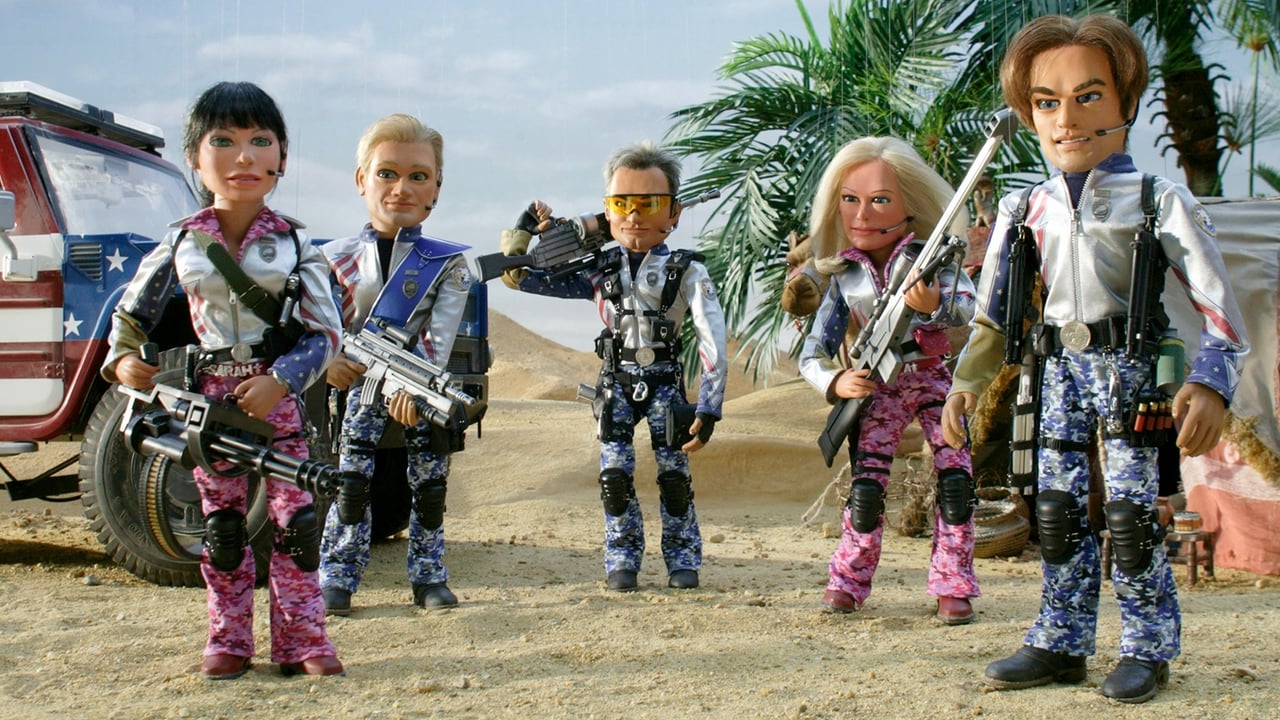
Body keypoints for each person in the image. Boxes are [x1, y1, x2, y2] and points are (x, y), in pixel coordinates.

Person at [939, 14, 1248, 704]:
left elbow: (1220, 310)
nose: (1067, 119)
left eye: (1088, 96)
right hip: (1056, 375)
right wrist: (968, 382)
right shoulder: (1025, 208)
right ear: (1029, 115)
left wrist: (1210, 382)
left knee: (1133, 518)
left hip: (1131, 373)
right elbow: (993, 313)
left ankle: (1147, 645)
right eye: (1047, 102)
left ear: (1126, 102)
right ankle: (1061, 638)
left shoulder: (1158, 201)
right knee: (1054, 511)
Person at [102, 81, 344, 679]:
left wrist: (281, 380)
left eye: (261, 141)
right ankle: (228, 638)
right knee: (223, 528)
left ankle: (302, 640)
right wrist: (125, 362)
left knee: (297, 524)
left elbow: (326, 333)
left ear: (281, 155)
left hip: (276, 403)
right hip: (210, 404)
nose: (244, 157)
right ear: (194, 156)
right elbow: (130, 315)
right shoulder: (183, 241)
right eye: (223, 141)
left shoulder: (295, 244)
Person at [499, 141, 727, 592]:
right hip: (616, 381)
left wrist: (710, 405)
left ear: (673, 213)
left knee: (674, 477)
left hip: (665, 382)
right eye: (622, 204)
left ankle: (682, 558)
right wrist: (523, 232)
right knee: (614, 478)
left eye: (649, 204)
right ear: (606, 211)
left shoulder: (687, 271)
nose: (634, 215)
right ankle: (622, 557)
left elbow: (711, 338)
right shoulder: (597, 269)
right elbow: (520, 278)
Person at [798, 136, 980, 624]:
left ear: (910, 204)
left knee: (956, 480)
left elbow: (968, 306)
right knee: (866, 489)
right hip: (877, 389)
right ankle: (848, 578)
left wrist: (934, 306)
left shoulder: (931, 259)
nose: (862, 214)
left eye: (880, 200)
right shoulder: (844, 278)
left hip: (933, 379)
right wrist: (836, 382)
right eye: (850, 199)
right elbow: (811, 353)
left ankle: (953, 581)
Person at [317, 113, 473, 613]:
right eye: (387, 173)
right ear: (361, 179)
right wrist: (329, 360)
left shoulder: (447, 264)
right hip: (359, 387)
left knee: (428, 487)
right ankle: (338, 573)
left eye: (417, 176)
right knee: (351, 484)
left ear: (436, 188)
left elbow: (438, 338)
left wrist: (415, 386)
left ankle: (428, 575)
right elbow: (319, 325)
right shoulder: (330, 259)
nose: (401, 188)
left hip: (417, 387)